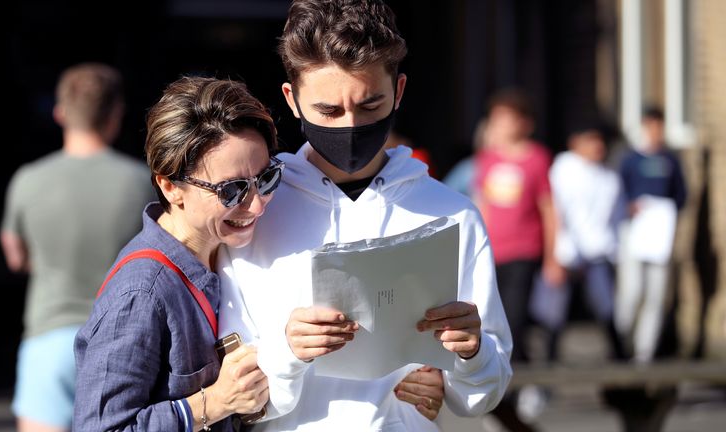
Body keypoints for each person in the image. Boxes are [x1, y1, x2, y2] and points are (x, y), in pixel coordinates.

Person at [217, 1, 512, 430]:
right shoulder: (255, 212)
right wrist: (287, 351)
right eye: (329, 111)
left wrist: (470, 355)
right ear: (292, 100)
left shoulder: (453, 214)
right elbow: (236, 397)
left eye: (371, 106)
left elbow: (484, 392)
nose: (349, 126)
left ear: (399, 92)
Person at [73, 77, 277, 430]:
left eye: (268, 178)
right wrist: (213, 402)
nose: (257, 205)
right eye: (231, 191)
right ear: (170, 186)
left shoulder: (224, 252)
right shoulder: (141, 293)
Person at [0, 63, 155, 432]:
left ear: (60, 112)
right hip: (121, 339)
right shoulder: (142, 183)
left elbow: (16, 257)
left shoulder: (27, 180)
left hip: (48, 337)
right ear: (116, 114)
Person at [473, 88, 562, 431]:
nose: (500, 124)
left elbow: (549, 209)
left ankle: (527, 384)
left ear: (523, 122)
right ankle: (504, 391)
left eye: (507, 117)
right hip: (494, 253)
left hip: (525, 251)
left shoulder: (536, 159)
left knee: (517, 318)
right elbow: (482, 205)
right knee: (494, 321)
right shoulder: (487, 159)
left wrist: (554, 257)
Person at [532, 123, 626, 362]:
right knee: (553, 316)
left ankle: (622, 367)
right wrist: (555, 255)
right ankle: (546, 373)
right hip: (565, 253)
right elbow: (555, 214)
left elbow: (613, 218)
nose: (597, 146)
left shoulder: (608, 178)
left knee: (607, 310)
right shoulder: (561, 172)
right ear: (576, 142)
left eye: (600, 141)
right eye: (591, 140)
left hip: (597, 255)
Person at [615, 105, 687, 363]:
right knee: (632, 291)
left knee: (656, 295)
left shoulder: (670, 160)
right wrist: (629, 206)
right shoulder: (630, 160)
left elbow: (680, 195)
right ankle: (622, 340)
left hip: (659, 235)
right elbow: (618, 193)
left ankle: (644, 353)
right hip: (634, 232)